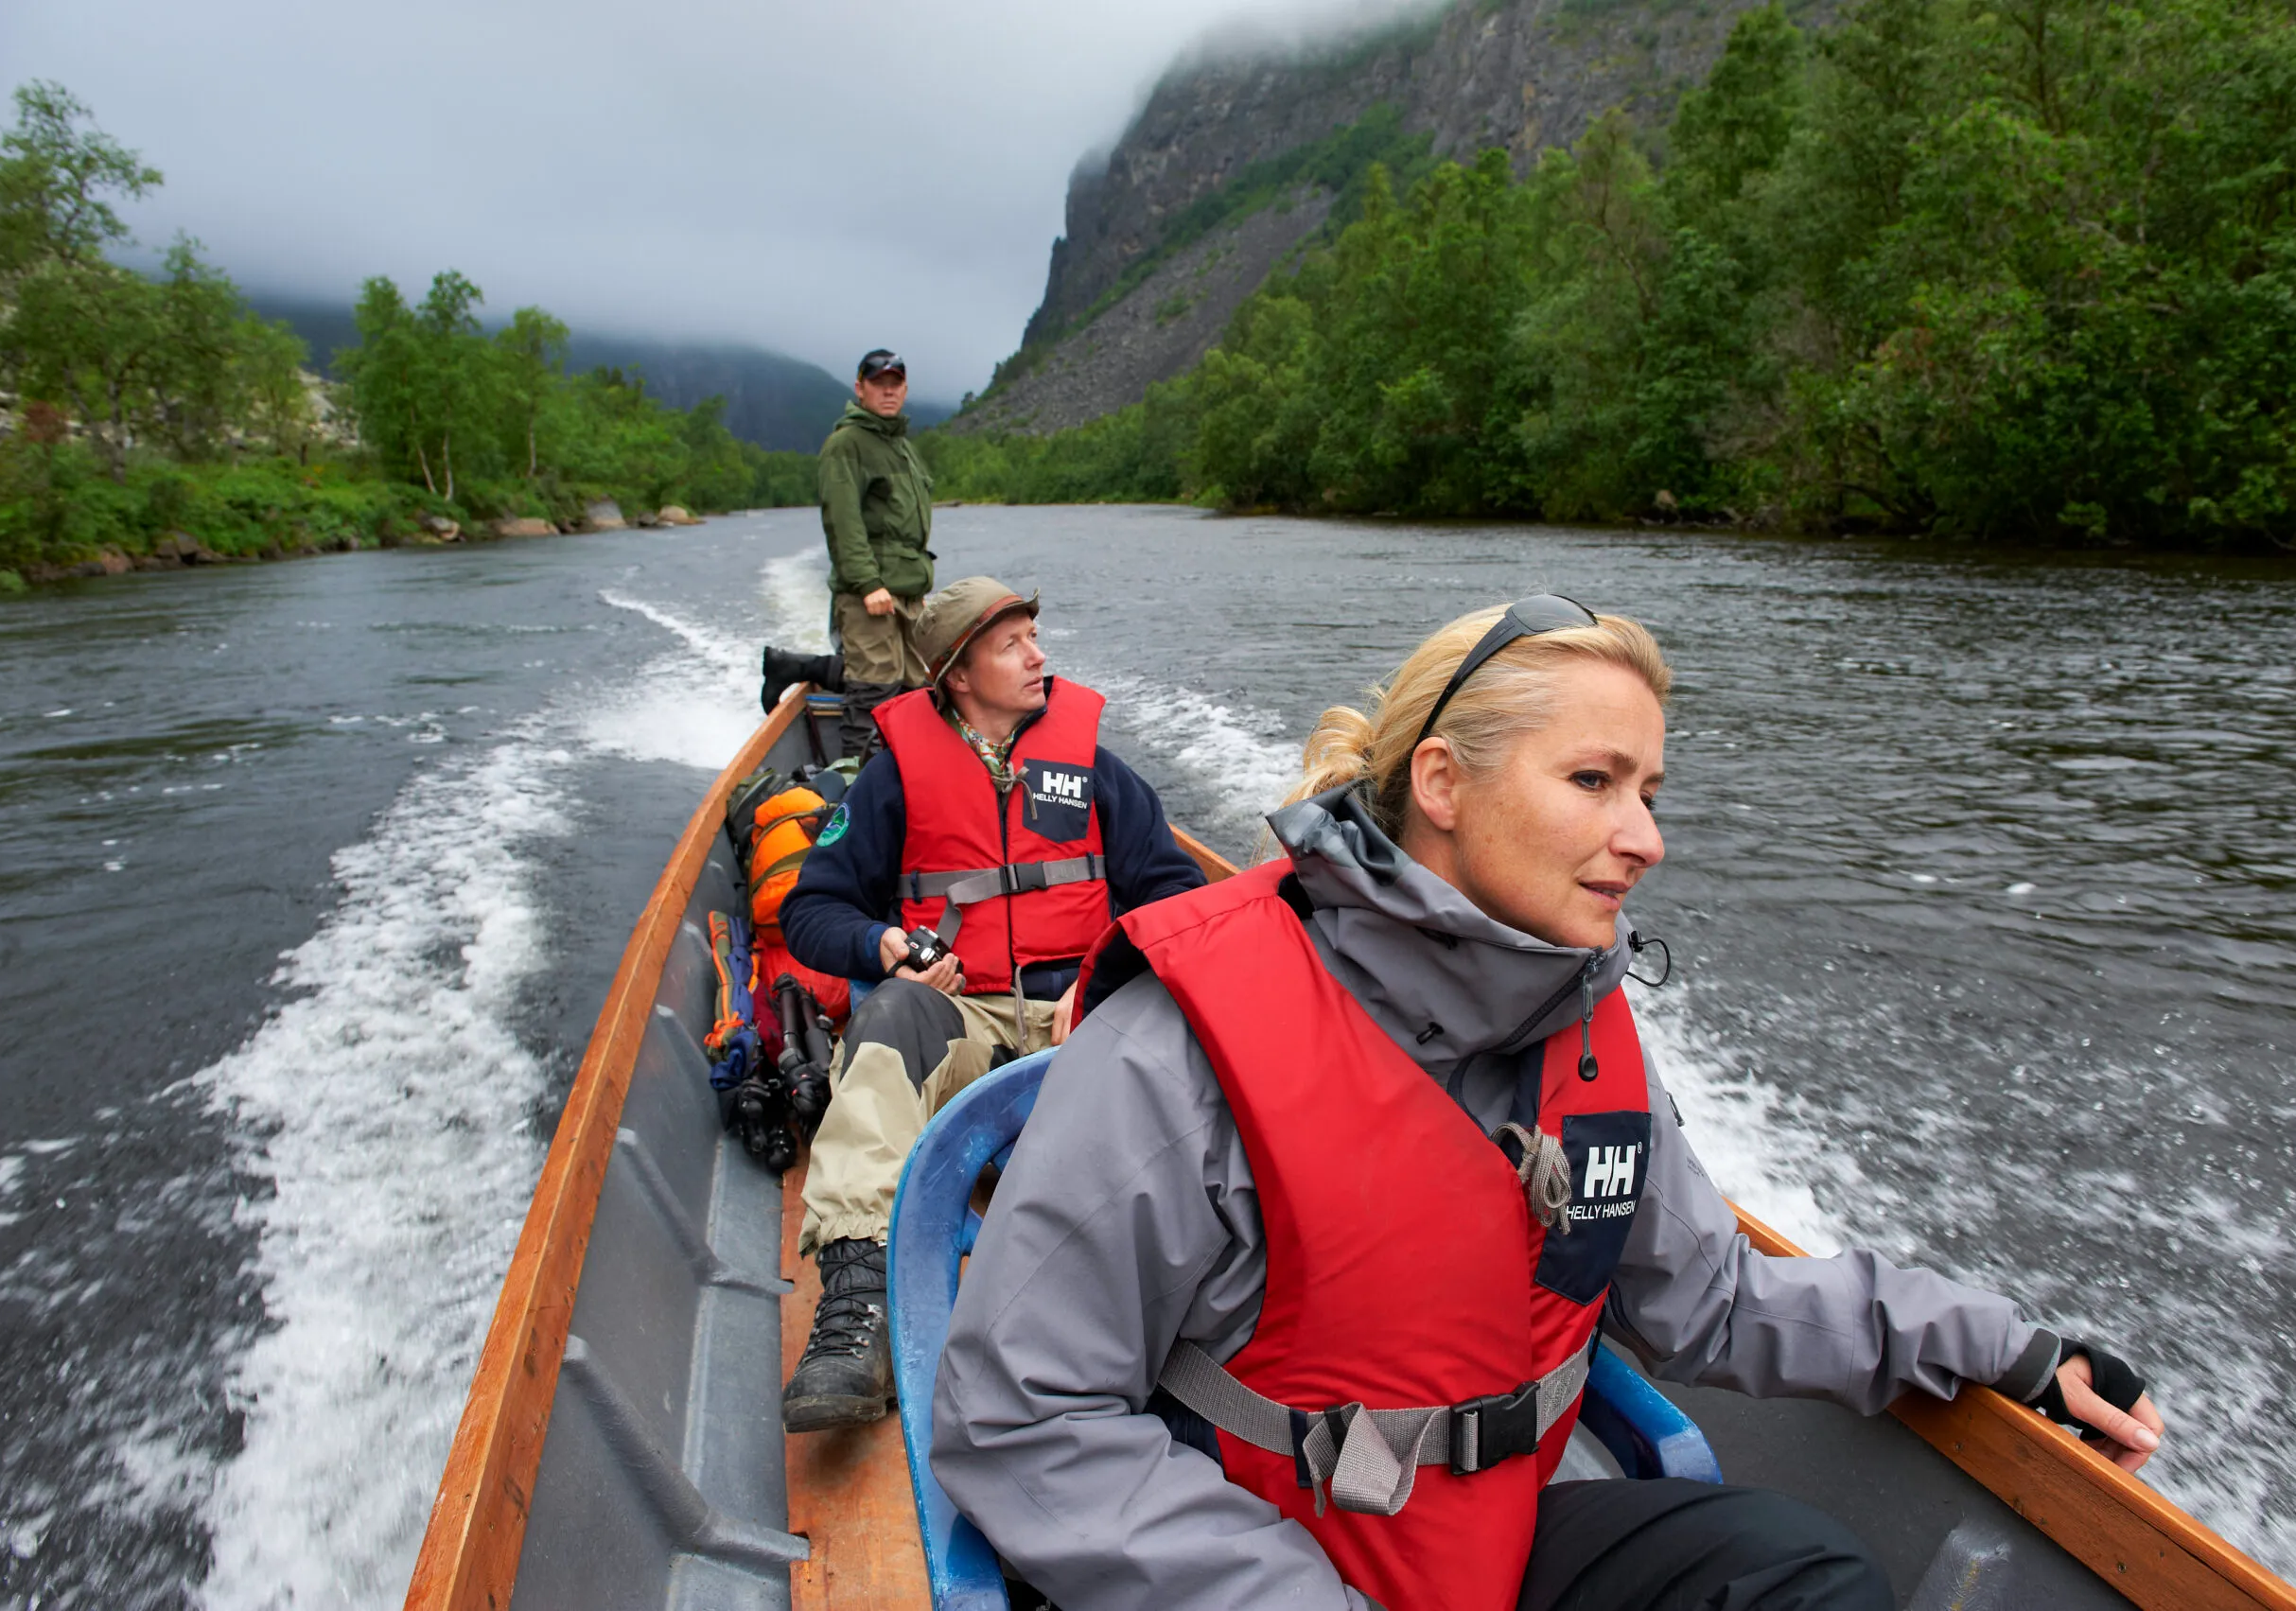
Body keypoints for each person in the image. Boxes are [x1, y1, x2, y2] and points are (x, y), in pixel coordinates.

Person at [930, 599, 2166, 1611]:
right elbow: (1020, 1414)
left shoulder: (1584, 1029)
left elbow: (1715, 1302)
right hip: (1260, 1551)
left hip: (1506, 1531)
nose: (1644, 835)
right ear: (1444, 783)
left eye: (1650, 789)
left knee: (1802, 1577)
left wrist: (2009, 1346)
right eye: (1594, 779)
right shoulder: (1177, 1048)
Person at [776, 576, 1207, 1431]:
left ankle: (1189, 1302)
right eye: (1012, 644)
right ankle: (857, 1306)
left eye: (1035, 636)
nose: (1038, 656)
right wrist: (883, 946)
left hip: (1077, 1012)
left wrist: (1109, 968)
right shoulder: (892, 778)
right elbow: (811, 911)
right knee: (888, 1021)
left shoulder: (1093, 771)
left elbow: (1176, 894)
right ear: (958, 675)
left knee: (1188, 1036)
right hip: (962, 1012)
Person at [761, 347, 934, 758]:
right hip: (870, 592)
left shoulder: (901, 446)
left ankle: (798, 667)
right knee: (874, 688)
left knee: (915, 687)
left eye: (896, 384)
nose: (888, 392)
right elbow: (843, 521)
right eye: (879, 384)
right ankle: (855, 791)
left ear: (905, 389)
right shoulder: (847, 444)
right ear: (860, 388)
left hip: (906, 591)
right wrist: (868, 583)